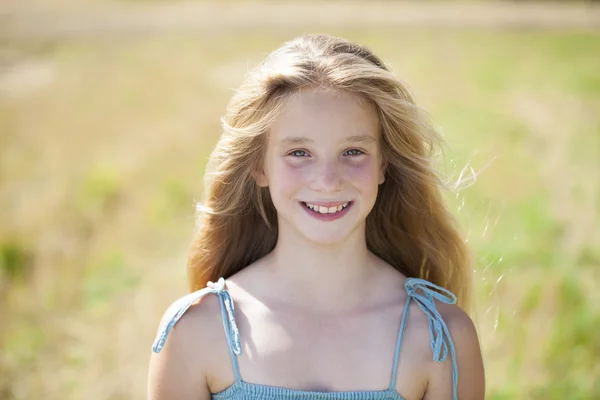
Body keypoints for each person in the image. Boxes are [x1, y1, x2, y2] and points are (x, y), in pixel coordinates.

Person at [148, 33, 485, 400]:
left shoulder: (440, 338)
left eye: (353, 151)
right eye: (299, 153)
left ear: (383, 165)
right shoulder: (195, 332)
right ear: (259, 167)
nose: (327, 182)